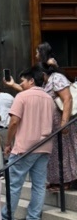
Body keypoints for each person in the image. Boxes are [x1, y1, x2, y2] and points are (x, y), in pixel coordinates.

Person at [1, 66, 54, 220]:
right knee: (38, 185)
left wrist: (8, 143)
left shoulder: (21, 96)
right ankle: (33, 219)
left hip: (24, 147)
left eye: (23, 80)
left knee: (14, 184)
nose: (21, 84)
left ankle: (6, 218)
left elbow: (14, 122)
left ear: (31, 80)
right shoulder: (48, 98)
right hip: (44, 145)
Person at [41, 63, 77, 191]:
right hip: (53, 125)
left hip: (62, 123)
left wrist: (64, 122)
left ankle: (66, 181)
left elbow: (67, 98)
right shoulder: (46, 82)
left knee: (65, 151)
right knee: (56, 153)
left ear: (43, 73)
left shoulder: (57, 78)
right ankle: (57, 180)